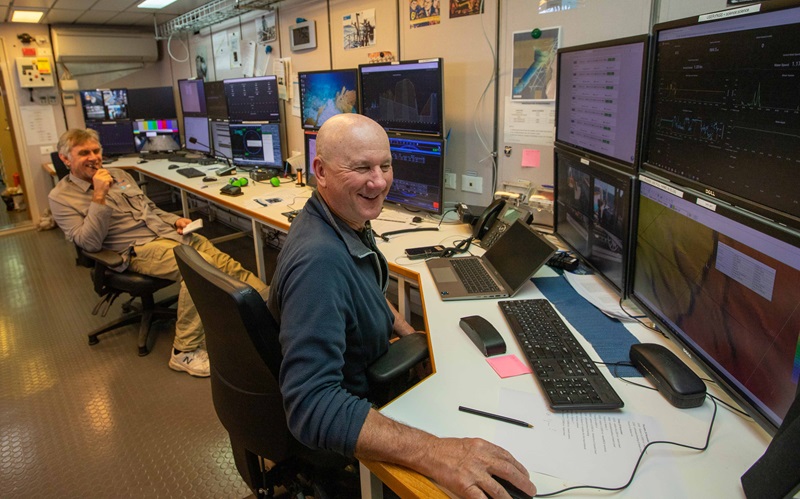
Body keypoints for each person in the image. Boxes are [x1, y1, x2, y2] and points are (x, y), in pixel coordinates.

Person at [268, 114, 536, 498]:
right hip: (362, 406)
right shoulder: (319, 264)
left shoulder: (341, 217)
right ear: (321, 171)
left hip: (374, 369)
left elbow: (365, 289)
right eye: (361, 168)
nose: (378, 182)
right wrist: (434, 451)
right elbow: (311, 406)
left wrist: (408, 331)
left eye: (385, 165)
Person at [49, 128, 268, 378]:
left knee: (224, 262)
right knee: (200, 270)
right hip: (134, 249)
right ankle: (183, 352)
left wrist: (174, 221)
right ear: (66, 159)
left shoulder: (119, 174)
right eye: (83, 153)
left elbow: (149, 209)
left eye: (96, 150)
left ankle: (266, 308)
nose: (94, 157)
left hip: (166, 235)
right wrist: (99, 195)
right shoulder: (60, 198)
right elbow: (88, 243)